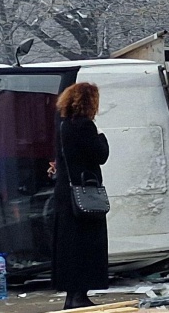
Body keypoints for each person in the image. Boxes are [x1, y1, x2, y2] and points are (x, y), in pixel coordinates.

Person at [52, 82, 109, 310]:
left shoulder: (64, 125)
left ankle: (71, 295)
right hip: (85, 194)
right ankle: (80, 295)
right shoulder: (85, 126)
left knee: (70, 246)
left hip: (66, 194)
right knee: (88, 245)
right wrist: (103, 139)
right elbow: (99, 154)